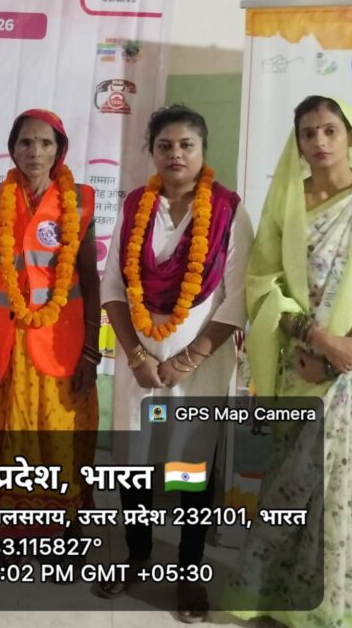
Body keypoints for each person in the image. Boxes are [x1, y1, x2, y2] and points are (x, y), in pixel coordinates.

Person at [231, 96, 352, 628]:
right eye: (308, 132)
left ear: (350, 135)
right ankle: (281, 601)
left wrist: (339, 356)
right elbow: (264, 286)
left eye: (330, 130)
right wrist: (316, 339)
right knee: (292, 484)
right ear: (298, 141)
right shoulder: (287, 200)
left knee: (351, 488)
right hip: (301, 363)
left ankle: (345, 607)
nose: (320, 141)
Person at [95, 105, 254, 621]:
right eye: (165, 145)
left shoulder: (229, 210)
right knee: (135, 466)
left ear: (203, 150)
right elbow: (113, 285)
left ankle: (189, 573)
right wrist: (137, 355)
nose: (176, 154)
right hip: (139, 366)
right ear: (152, 152)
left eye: (187, 145)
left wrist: (190, 357)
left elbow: (238, 297)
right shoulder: (135, 206)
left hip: (200, 368)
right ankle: (138, 555)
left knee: (191, 469)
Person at [0, 108, 100, 526]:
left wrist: (92, 351)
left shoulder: (78, 201)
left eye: (45, 143)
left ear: (60, 150)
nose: (35, 151)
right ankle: (10, 525)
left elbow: (89, 278)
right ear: (12, 149)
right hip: (4, 342)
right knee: (3, 427)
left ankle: (60, 523)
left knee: (58, 429)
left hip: (62, 343)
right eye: (25, 142)